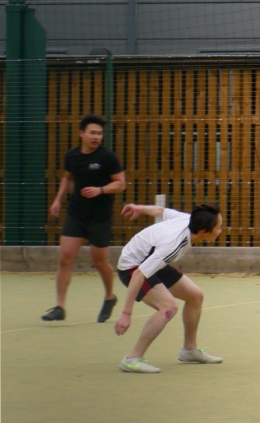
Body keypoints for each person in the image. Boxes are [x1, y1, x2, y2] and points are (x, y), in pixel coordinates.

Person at [113, 203, 226, 373]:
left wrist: (139, 208)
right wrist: (126, 313)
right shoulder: (173, 245)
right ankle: (132, 359)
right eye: (218, 228)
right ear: (204, 231)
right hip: (133, 267)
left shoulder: (188, 220)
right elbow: (138, 275)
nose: (220, 231)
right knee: (168, 307)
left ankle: (189, 350)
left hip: (152, 261)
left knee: (195, 296)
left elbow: (160, 211)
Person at [42, 114, 126, 323]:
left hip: (99, 218)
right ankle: (60, 307)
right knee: (64, 258)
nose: (96, 137)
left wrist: (100, 190)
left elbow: (120, 183)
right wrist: (58, 200)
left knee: (100, 262)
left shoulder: (107, 157)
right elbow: (68, 177)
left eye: (99, 133)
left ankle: (109, 297)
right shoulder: (72, 156)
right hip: (76, 215)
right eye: (92, 133)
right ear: (81, 134)